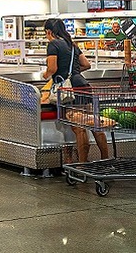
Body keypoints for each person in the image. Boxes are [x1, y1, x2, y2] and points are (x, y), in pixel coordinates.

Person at [41, 18, 109, 163]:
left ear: (49, 31)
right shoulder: (72, 45)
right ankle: (105, 160)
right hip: (82, 84)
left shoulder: (53, 44)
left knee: (79, 128)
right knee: (93, 123)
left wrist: (45, 75)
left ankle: (82, 165)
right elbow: (86, 64)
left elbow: (52, 69)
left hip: (69, 90)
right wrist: (74, 72)